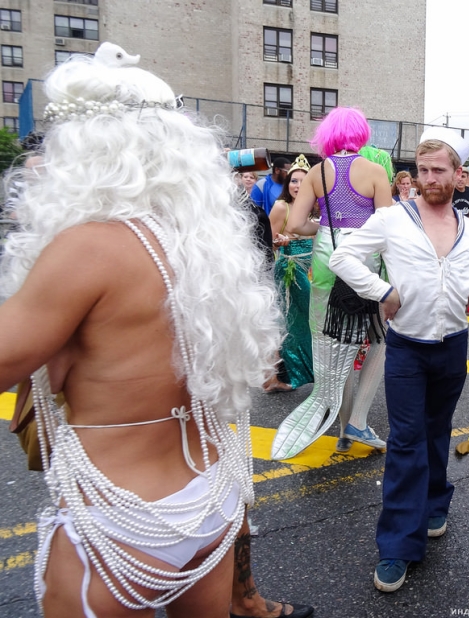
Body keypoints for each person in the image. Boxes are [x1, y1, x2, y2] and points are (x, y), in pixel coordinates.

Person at [0, 47, 283, 617]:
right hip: (211, 504)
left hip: (119, 521)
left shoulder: (86, 250)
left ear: (83, 152)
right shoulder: (205, 245)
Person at [328, 126, 469, 593]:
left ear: (459, 175)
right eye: (422, 169)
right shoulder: (394, 219)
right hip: (406, 349)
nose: (428, 177)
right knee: (406, 441)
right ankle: (397, 545)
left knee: (438, 431)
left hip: (453, 346)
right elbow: (343, 256)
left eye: (439, 170)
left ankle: (437, 503)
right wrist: (383, 291)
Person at [270, 107, 393, 460]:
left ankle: (341, 428)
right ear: (361, 134)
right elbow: (387, 227)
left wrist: (323, 228)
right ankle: (358, 420)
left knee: (336, 342)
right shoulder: (374, 171)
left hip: (326, 260)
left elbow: (294, 225)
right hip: (365, 263)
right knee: (378, 339)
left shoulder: (315, 173)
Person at [264, 154, 314, 393]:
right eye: (294, 181)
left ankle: (296, 374)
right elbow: (268, 242)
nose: (298, 186)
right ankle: (280, 375)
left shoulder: (315, 209)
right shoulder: (281, 206)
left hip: (312, 272)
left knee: (306, 323)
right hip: (289, 272)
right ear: (287, 184)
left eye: (304, 182)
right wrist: (279, 242)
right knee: (289, 322)